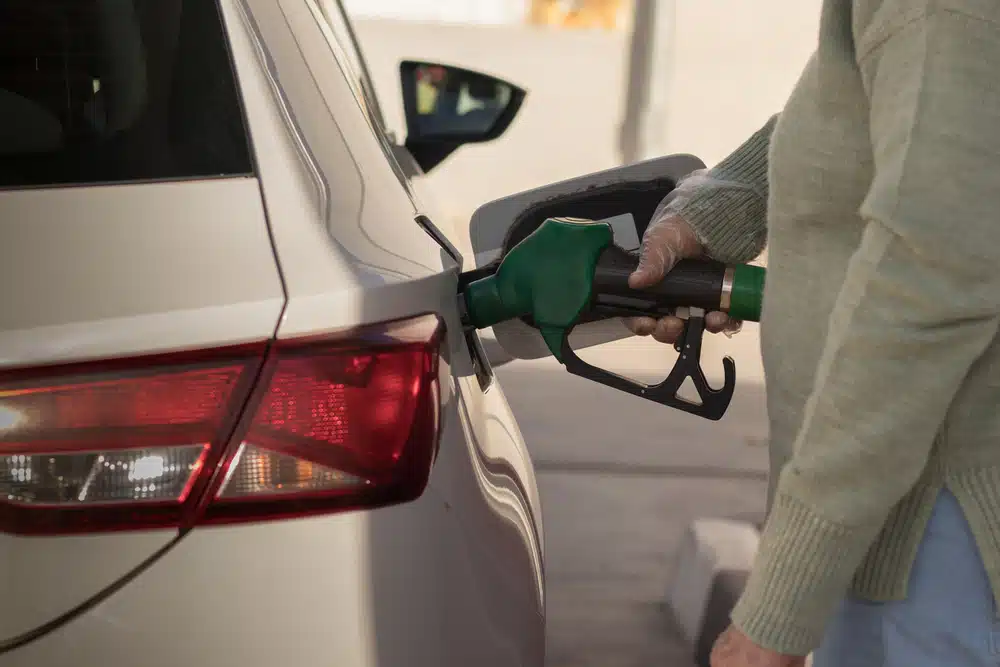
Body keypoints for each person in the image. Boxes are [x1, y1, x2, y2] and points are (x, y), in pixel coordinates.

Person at [627, 2, 1000, 666]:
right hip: (897, 523)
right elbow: (876, 107)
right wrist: (720, 207)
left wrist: (780, 607)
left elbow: (927, 286)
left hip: (934, 540)